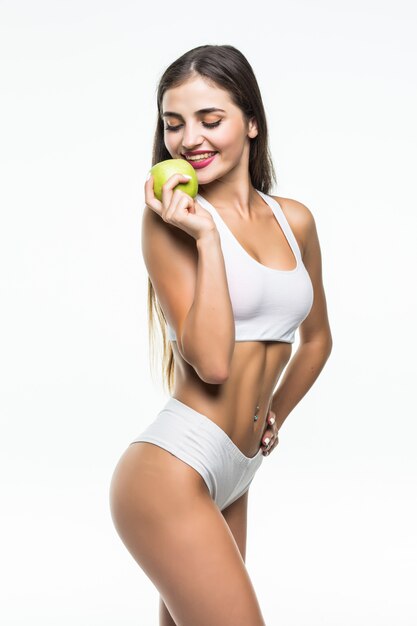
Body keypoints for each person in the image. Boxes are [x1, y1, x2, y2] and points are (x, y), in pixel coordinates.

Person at [109, 44, 333, 626]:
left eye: (211, 120)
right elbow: (211, 362)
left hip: (236, 470)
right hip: (171, 470)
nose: (189, 139)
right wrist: (205, 237)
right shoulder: (171, 223)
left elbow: (316, 341)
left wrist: (273, 415)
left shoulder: (294, 219)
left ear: (252, 122)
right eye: (173, 124)